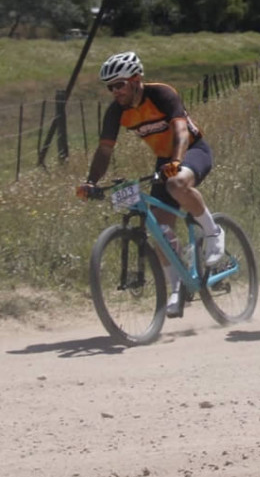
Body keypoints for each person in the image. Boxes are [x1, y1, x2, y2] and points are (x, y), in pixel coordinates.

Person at [76, 51, 225, 318]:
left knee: (177, 184)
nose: (115, 92)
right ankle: (177, 287)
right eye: (110, 87)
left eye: (119, 85)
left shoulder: (161, 94)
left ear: (135, 80)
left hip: (192, 150)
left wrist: (177, 161)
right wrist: (91, 182)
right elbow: (104, 151)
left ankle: (213, 232)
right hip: (164, 160)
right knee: (158, 228)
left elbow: (180, 131)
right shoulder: (116, 112)